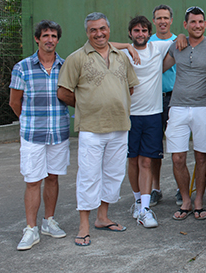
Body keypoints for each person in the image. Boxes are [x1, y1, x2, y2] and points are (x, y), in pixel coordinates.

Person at [58, 12, 139, 246]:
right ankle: (84, 225)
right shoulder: (76, 58)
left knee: (113, 175)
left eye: (102, 28)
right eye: (93, 30)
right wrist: (86, 106)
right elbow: (63, 92)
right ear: (87, 32)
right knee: (88, 176)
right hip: (91, 129)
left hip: (120, 126)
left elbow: (130, 88)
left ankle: (102, 217)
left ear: (109, 30)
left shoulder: (121, 57)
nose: (99, 33)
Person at [10, 20, 69, 250]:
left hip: (59, 134)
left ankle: (49, 222)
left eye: (54, 36)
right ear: (37, 38)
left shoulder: (65, 66)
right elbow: (15, 103)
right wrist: (30, 121)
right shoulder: (22, 67)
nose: (50, 40)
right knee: (33, 181)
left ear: (57, 39)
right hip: (32, 134)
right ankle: (31, 229)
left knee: (53, 178)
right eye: (45, 35)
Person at [162, 6, 206, 221]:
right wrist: (177, 37)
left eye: (201, 22)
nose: (198, 25)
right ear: (185, 25)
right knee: (177, 158)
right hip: (177, 108)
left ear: (205, 24)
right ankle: (185, 199)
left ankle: (198, 202)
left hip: (203, 107)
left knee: (201, 157)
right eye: (193, 22)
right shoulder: (177, 45)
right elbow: (158, 67)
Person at [117, 15, 174, 228]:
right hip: (129, 115)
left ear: (149, 34)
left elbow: (181, 41)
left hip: (152, 115)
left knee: (147, 161)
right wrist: (127, 47)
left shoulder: (157, 48)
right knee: (132, 160)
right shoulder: (122, 52)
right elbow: (99, 45)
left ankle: (145, 209)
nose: (140, 34)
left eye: (143, 31)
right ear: (130, 34)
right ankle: (137, 201)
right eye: (136, 31)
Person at [149, 4, 178, 206]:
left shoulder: (180, 42)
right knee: (154, 147)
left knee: (177, 147)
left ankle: (180, 189)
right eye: (159, 18)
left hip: (176, 99)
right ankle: (155, 189)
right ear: (154, 21)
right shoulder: (146, 43)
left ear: (171, 20)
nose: (162, 21)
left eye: (166, 18)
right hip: (153, 99)